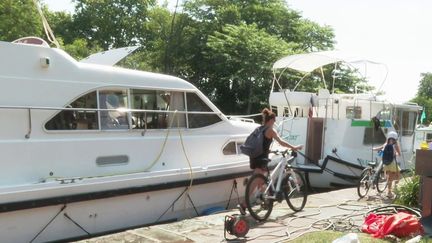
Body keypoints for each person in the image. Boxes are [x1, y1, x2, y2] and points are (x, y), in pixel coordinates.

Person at [238, 108, 303, 214]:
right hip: (261, 159)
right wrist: (294, 147)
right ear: (271, 120)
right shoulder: (270, 130)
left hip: (254, 157)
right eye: (274, 120)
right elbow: (281, 142)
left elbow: (262, 144)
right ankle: (244, 204)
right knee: (255, 182)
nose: (275, 122)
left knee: (262, 181)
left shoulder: (260, 129)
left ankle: (266, 200)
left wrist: (270, 150)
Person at [373, 131, 401, 198]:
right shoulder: (395, 145)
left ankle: (390, 189)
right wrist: (395, 154)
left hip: (386, 163)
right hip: (392, 163)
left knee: (389, 177)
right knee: (396, 175)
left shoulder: (386, 144)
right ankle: (389, 192)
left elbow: (379, 148)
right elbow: (399, 154)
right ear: (395, 138)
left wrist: (373, 149)